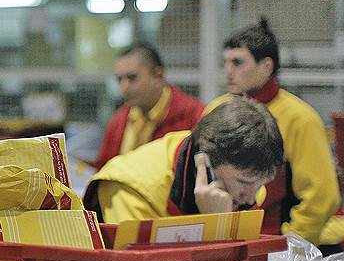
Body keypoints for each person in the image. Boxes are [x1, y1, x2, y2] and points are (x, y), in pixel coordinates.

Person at [204, 19, 340, 245]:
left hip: (276, 244)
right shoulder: (215, 111)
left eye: (237, 62)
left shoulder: (300, 118)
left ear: (267, 66)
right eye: (225, 62)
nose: (228, 71)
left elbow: (322, 197)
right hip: (222, 239)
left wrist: (291, 243)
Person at [85, 97, 284, 224]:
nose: (250, 198)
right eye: (243, 182)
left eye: (260, 185)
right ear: (206, 165)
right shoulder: (130, 190)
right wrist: (214, 224)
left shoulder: (248, 187)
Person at [94, 43, 204, 169]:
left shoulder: (193, 116)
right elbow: (102, 169)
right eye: (119, 80)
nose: (124, 88)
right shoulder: (118, 121)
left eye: (132, 78)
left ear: (158, 76)